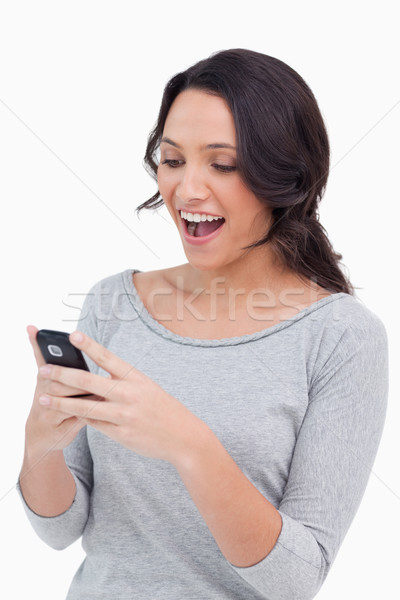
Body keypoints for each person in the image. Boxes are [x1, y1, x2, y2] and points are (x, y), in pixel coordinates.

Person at [17, 48, 388, 600]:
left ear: (285, 175)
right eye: (172, 160)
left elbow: (295, 580)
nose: (187, 190)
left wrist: (190, 445)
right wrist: (39, 443)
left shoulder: (341, 338)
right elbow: (58, 530)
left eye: (223, 164)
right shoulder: (112, 303)